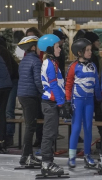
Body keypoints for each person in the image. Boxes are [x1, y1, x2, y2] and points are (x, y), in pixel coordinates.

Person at [65, 38, 102, 168]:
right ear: (79, 52)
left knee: (88, 128)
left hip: (89, 101)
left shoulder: (93, 65)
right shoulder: (73, 66)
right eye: (87, 50)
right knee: (76, 128)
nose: (90, 52)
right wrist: (68, 101)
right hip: (78, 100)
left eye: (90, 50)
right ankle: (71, 157)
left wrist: (99, 100)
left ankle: (87, 155)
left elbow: (96, 84)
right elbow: (68, 85)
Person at [38, 34, 69, 176]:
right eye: (57, 47)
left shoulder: (52, 62)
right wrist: (61, 103)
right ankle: (46, 163)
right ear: (50, 49)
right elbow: (54, 85)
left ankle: (48, 161)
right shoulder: (50, 64)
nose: (60, 49)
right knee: (49, 134)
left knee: (52, 133)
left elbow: (60, 85)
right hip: (50, 103)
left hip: (52, 102)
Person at [17, 36, 43, 166]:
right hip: (30, 96)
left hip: (22, 95)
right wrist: (44, 93)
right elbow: (38, 81)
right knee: (30, 127)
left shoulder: (24, 60)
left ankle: (26, 156)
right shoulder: (36, 61)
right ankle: (27, 155)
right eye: (38, 46)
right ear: (33, 47)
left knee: (29, 126)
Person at [25, 27, 44, 147]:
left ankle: (40, 138)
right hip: (31, 87)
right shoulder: (27, 52)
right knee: (33, 116)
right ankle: (34, 140)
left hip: (39, 85)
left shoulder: (40, 50)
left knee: (40, 114)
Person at [84, 32, 102, 139]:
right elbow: (95, 77)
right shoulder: (93, 58)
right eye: (97, 40)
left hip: (91, 93)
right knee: (97, 115)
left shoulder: (94, 56)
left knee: (95, 116)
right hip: (93, 93)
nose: (99, 42)